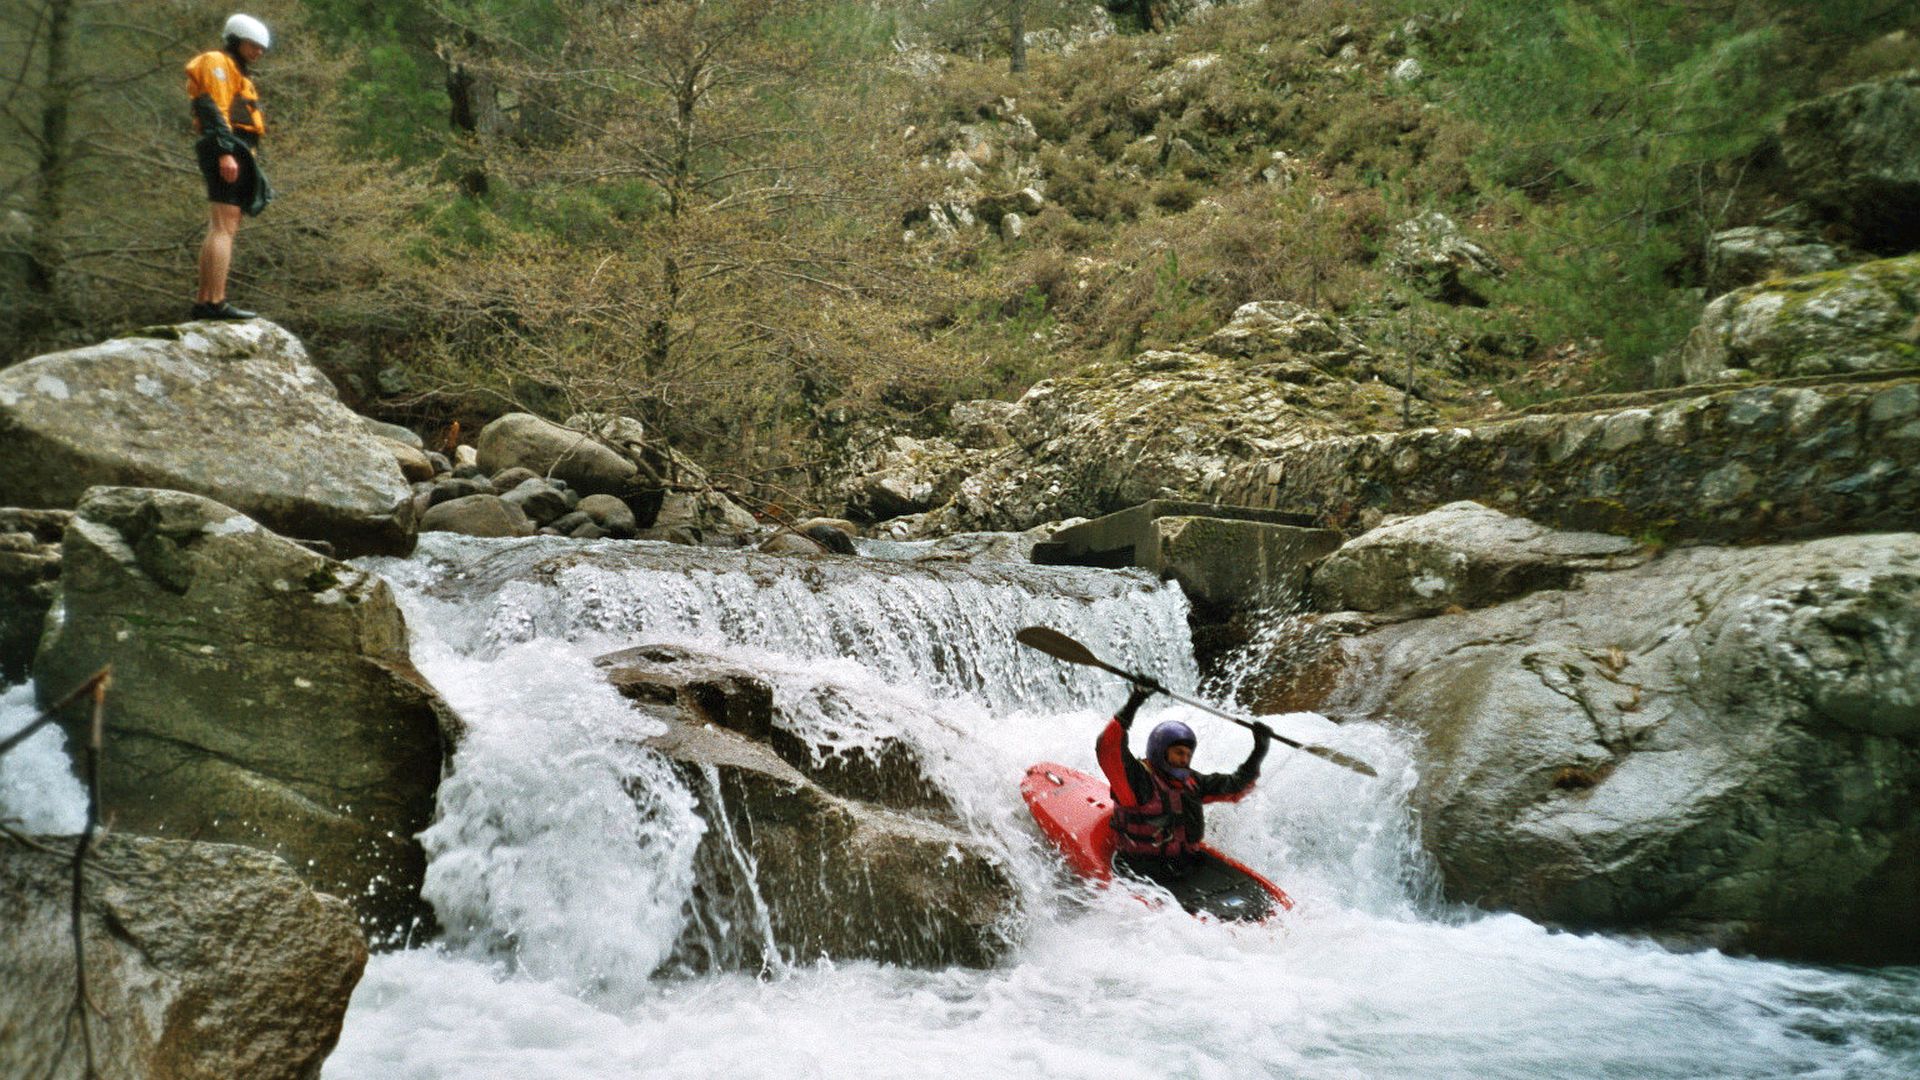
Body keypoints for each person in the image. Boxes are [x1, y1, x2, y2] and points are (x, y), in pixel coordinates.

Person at [1095, 683, 1272, 890]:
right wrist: (1136, 701)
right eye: (1179, 752)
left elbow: (1235, 788)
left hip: (1185, 866)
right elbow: (1109, 749)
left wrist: (1259, 751)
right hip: (1141, 870)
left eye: (1188, 755)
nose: (1184, 759)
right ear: (1160, 750)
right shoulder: (1137, 782)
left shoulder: (1192, 782)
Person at [186, 14, 273, 320]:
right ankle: (215, 303)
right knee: (224, 227)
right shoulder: (217, 63)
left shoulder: (236, 72)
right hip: (226, 146)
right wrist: (226, 152)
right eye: (253, 45)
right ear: (236, 40)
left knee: (223, 226)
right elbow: (213, 108)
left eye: (262, 48)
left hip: (234, 148)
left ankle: (207, 300)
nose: (258, 52)